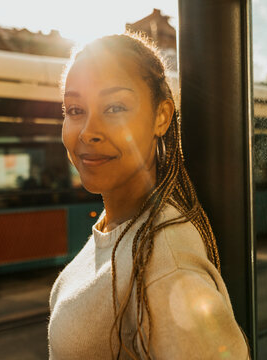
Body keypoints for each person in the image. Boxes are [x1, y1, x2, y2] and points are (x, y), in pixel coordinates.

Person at [48, 33, 249, 359]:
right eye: (74, 109)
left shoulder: (166, 263)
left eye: (114, 107)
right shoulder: (116, 225)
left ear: (161, 117)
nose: (87, 131)